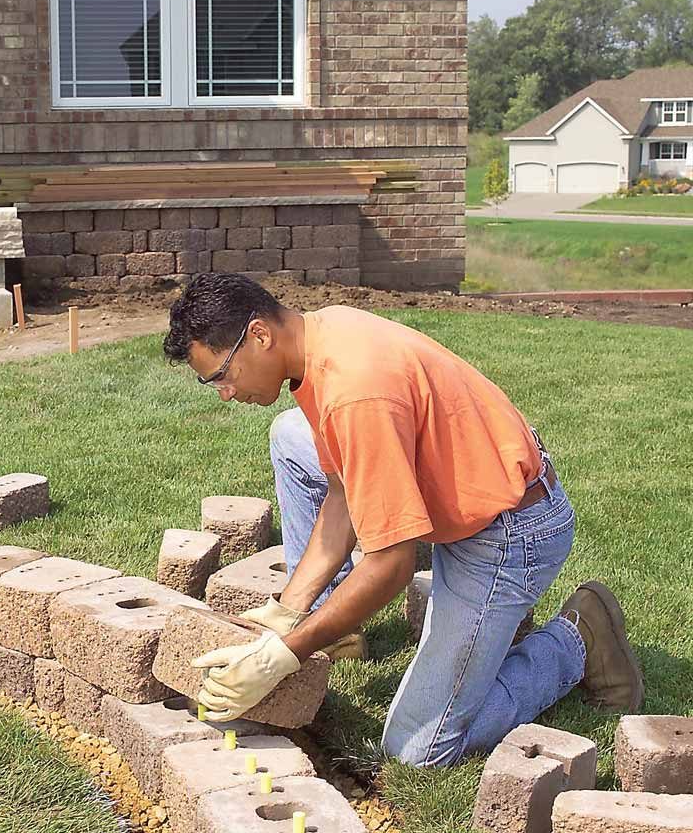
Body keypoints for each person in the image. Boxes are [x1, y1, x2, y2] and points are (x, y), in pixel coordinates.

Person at [162, 272, 643, 768]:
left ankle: (578, 638)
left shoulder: (355, 393)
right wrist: (288, 609)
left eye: (220, 375)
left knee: (419, 750)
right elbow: (344, 489)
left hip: (507, 533)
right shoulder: (319, 338)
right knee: (291, 434)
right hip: (462, 491)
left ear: (259, 335)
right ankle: (335, 626)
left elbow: (390, 566)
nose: (223, 393)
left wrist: (281, 656)